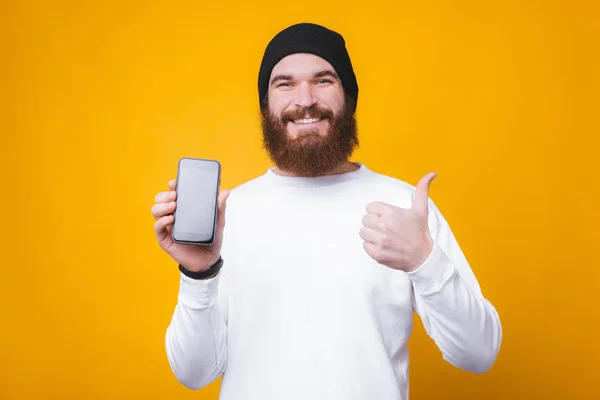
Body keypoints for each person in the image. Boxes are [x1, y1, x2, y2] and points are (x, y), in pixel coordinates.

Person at [152, 22, 502, 400]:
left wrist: (425, 261)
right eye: (284, 83)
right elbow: (193, 373)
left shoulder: (405, 209)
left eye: (323, 80)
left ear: (347, 98)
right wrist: (198, 274)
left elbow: (479, 353)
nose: (304, 100)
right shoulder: (227, 216)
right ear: (266, 105)